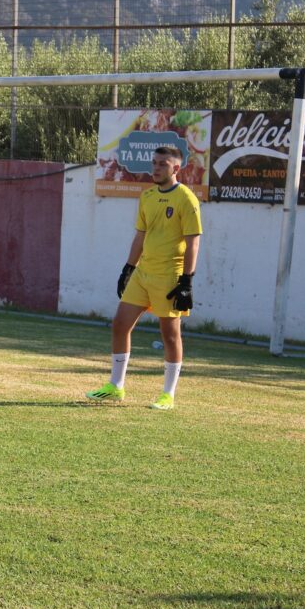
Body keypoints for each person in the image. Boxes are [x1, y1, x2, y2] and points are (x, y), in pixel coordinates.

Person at [86, 145, 202, 410]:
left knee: (170, 335)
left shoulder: (186, 199)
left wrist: (186, 281)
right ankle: (115, 387)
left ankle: (168, 395)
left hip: (169, 276)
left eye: (163, 164)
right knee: (120, 324)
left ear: (176, 168)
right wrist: (128, 268)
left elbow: (193, 242)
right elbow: (140, 236)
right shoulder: (147, 196)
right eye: (154, 163)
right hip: (143, 273)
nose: (156, 168)